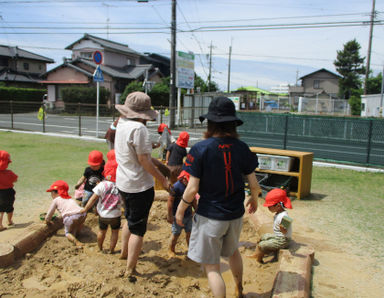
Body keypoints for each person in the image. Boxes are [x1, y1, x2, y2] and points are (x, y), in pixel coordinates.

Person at [175, 96, 262, 298]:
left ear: (210, 122)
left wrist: (181, 210)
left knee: (212, 267)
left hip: (210, 216)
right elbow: (253, 182)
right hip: (235, 214)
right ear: (233, 123)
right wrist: (254, 198)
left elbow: (192, 188)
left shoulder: (200, 149)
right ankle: (239, 290)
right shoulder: (242, 147)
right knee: (233, 252)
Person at [114, 91, 172, 282]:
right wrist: (162, 179)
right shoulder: (139, 129)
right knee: (138, 229)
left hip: (123, 181)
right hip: (139, 186)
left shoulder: (120, 123)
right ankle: (130, 268)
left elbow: (135, 152)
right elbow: (144, 160)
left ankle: (123, 253)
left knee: (129, 219)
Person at [80, 151, 122, 254]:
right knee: (115, 232)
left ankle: (100, 247)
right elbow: (125, 200)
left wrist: (85, 208)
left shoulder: (102, 185)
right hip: (116, 215)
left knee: (101, 231)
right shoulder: (121, 185)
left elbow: (93, 199)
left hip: (103, 215)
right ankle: (112, 250)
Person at [247, 188, 293, 263]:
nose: (268, 208)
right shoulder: (279, 213)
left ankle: (259, 260)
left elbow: (285, 231)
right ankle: (256, 254)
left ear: (278, 206)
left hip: (283, 240)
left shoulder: (285, 217)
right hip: (278, 236)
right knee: (262, 237)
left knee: (262, 245)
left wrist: (282, 228)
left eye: (269, 206)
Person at [45, 180, 87, 247]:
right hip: (83, 213)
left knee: (67, 233)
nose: (51, 195)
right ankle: (77, 234)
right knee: (78, 224)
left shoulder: (55, 200)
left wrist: (47, 221)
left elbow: (49, 214)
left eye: (51, 193)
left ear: (55, 192)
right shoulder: (69, 198)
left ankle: (76, 242)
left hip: (72, 217)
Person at [167, 170, 197, 258]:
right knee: (176, 234)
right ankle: (171, 249)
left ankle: (190, 250)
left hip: (188, 215)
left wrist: (196, 209)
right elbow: (170, 201)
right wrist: (169, 215)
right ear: (183, 179)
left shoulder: (190, 187)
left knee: (190, 233)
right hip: (177, 216)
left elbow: (193, 200)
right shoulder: (176, 187)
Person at [0, 150, 18, 231]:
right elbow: (15, 180)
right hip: (8, 192)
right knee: (9, 208)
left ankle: (0, 224)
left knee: (0, 209)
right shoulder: (10, 173)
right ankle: (9, 221)